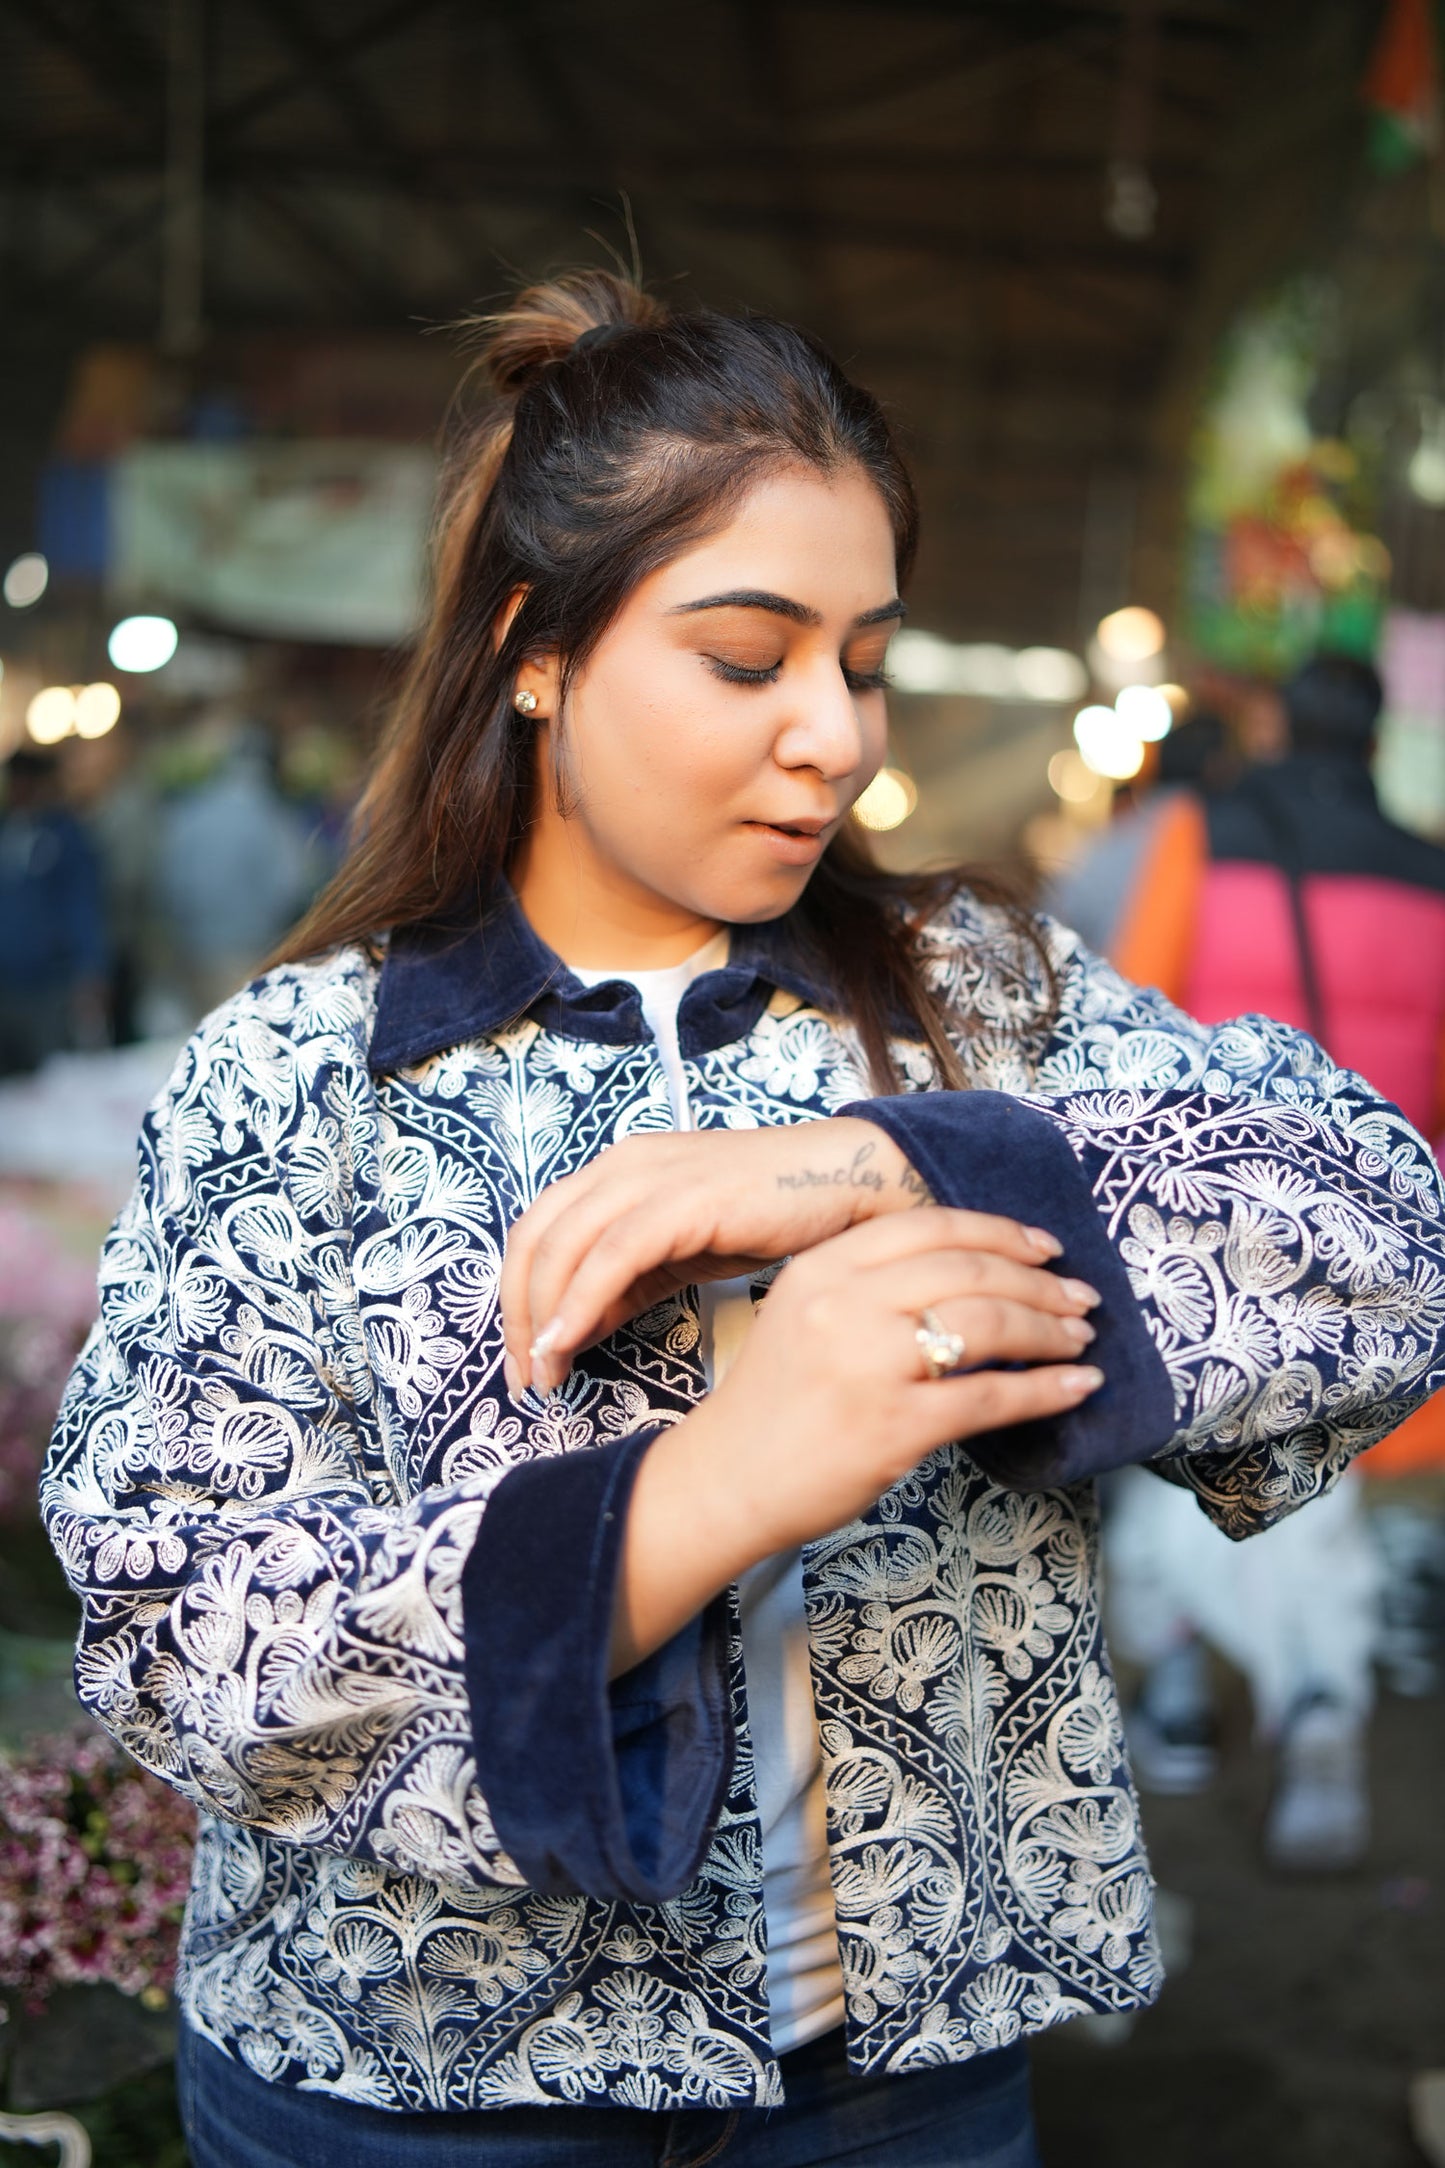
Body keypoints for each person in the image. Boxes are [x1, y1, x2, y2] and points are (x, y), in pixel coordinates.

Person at [40, 274, 1445, 2168]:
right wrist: (724, 1482)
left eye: (863, 658)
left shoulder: (973, 996)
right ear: (536, 648)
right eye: (745, 655)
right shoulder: (302, 1068)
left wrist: (887, 1161)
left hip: (903, 2093)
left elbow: (1379, 1234)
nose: (836, 736)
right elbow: (176, 1627)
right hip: (416, 2092)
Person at [1095, 654, 1445, 1868]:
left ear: (1280, 722)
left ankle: (1184, 1688)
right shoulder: (1431, 875)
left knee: (1177, 1465)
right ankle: (1317, 1722)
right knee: (1318, 1485)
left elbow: (1126, 1020)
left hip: (1208, 1225)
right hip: (1359, 1238)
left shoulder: (1203, 835)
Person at [0, 747, 107, 1075]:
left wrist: (91, 972)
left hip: (50, 981)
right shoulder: (6, 828)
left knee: (52, 1074)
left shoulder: (66, 835)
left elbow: (83, 905)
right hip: (7, 980)